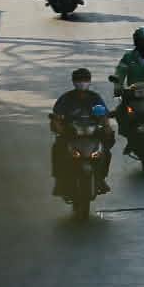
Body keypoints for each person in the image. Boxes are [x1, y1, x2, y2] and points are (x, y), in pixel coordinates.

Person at [50, 67, 113, 197]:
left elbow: (103, 116)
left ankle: (101, 179)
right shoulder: (66, 98)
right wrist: (59, 127)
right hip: (71, 133)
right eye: (79, 80)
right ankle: (59, 182)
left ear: (89, 81)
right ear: (74, 82)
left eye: (85, 80)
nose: (82, 82)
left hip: (93, 133)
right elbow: (57, 116)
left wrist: (107, 127)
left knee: (106, 152)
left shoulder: (94, 98)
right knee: (57, 149)